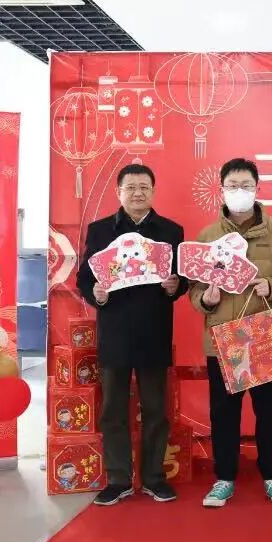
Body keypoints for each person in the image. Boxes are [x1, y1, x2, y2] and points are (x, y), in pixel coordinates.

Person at [189, 158, 272, 509]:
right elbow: (194, 288)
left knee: (270, 410)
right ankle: (224, 478)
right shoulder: (208, 237)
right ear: (221, 190)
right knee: (223, 413)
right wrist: (206, 299)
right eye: (232, 185)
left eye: (246, 185)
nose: (239, 191)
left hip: (266, 335)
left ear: (257, 189)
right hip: (223, 340)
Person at [76, 163, 186, 506]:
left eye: (144, 187)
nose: (138, 193)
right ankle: (118, 479)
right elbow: (84, 278)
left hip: (154, 331)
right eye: (131, 187)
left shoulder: (170, 231)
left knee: (155, 409)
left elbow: (183, 279)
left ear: (153, 191)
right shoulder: (100, 231)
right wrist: (96, 293)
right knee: (113, 410)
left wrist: (175, 286)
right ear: (119, 192)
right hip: (115, 332)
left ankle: (153, 478)